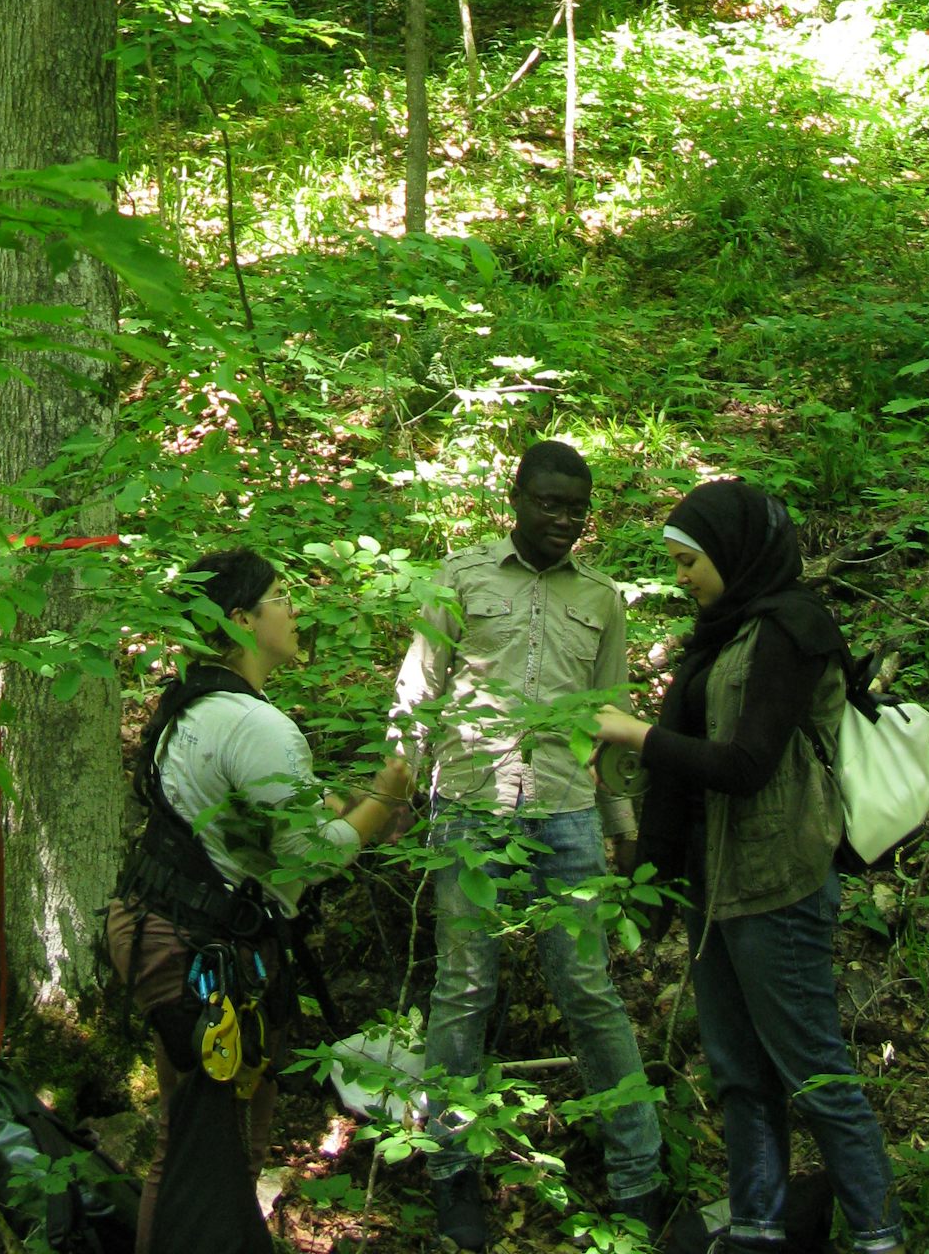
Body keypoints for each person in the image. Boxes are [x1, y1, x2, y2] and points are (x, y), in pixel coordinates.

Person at [594, 479, 908, 1254]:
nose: (682, 578)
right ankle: (759, 1228)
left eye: (689, 562)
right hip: (715, 881)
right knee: (738, 1068)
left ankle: (877, 1233)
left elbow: (746, 764)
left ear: (733, 552)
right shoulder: (721, 634)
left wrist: (636, 735)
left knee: (814, 1070)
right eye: (674, 564)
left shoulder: (790, 630)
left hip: (779, 881)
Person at [392, 439, 665, 1250]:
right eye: (549, 503)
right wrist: (402, 788)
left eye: (577, 507)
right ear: (516, 500)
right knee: (464, 989)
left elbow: (612, 720)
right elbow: (418, 687)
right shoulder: (463, 576)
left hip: (567, 811)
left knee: (588, 989)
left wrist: (621, 829)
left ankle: (638, 1178)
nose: (564, 520)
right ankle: (451, 1176)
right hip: (472, 807)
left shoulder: (603, 598)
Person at [108, 547, 410, 1254]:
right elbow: (316, 853)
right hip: (199, 959)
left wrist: (344, 806)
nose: (294, 609)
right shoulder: (255, 726)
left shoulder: (197, 705)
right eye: (280, 597)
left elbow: (260, 825)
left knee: (190, 1146)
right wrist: (386, 796)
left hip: (167, 935)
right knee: (211, 1154)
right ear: (241, 620)